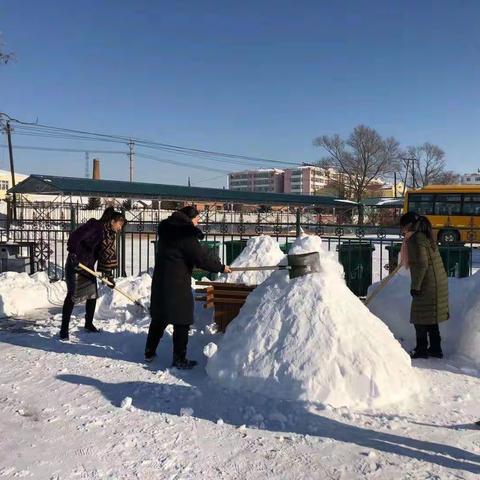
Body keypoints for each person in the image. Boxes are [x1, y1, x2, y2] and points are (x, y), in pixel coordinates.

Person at [146, 206, 231, 369]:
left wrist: (195, 235)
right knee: (182, 320)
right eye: (197, 219)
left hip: (161, 279)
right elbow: (201, 259)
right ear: (189, 219)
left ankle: (149, 352)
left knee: (160, 317)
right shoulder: (185, 234)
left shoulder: (168, 229)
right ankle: (179, 359)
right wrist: (221, 267)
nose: (198, 222)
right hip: (177, 282)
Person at [59, 207, 126, 340]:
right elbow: (75, 236)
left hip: (87, 266)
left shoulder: (108, 235)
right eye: (119, 225)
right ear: (112, 221)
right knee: (72, 295)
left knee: (92, 294)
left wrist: (109, 276)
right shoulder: (95, 227)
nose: (119, 228)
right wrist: (72, 252)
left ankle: (88, 324)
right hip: (75, 263)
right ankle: (64, 330)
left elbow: (104, 257)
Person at [399, 212, 449, 359]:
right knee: (430, 316)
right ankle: (435, 348)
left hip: (428, 283)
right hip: (436, 281)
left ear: (408, 225)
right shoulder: (424, 235)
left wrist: (416, 286)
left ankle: (421, 349)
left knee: (419, 317)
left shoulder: (416, 239)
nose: (401, 229)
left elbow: (421, 264)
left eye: (402, 226)